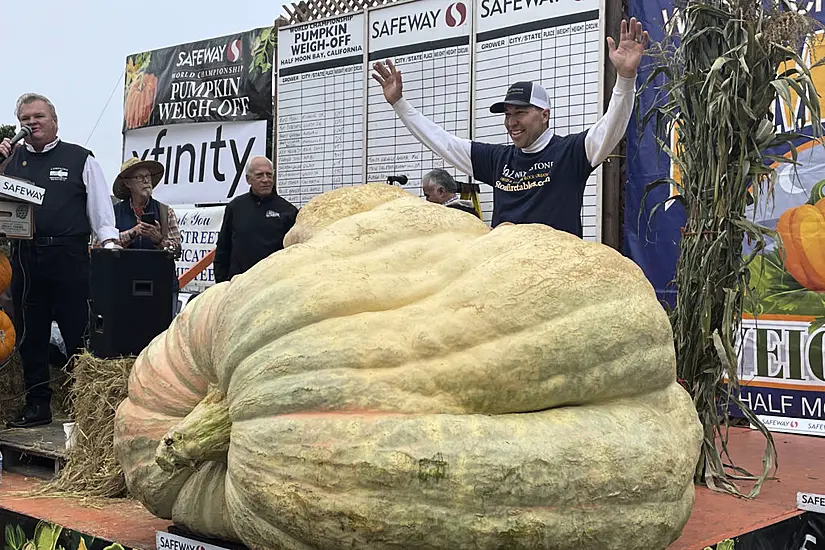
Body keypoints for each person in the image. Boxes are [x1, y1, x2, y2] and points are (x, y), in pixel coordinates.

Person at [372, 18, 649, 236]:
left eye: (520, 113)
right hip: (504, 281)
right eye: (507, 114)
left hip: (555, 281)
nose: (511, 122)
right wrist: (399, 104)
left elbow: (612, 126)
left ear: (544, 115)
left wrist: (625, 78)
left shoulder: (571, 153)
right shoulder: (497, 160)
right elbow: (441, 141)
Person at [0, 92, 120, 428]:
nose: (31, 123)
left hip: (68, 255)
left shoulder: (80, 158)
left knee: (77, 331)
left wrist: (108, 244)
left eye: (38, 116)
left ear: (54, 121)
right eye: (25, 118)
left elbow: (100, 209)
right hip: (25, 256)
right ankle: (38, 404)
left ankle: (89, 407)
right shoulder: (12, 161)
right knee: (31, 334)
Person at [110, 157, 183, 312]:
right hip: (123, 286)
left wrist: (159, 241)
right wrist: (132, 233)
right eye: (140, 177)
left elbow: (176, 250)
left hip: (160, 286)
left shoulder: (165, 211)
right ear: (128, 183)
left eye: (148, 177)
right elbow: (101, 245)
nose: (146, 181)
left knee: (162, 333)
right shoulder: (114, 213)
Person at [214, 156, 298, 283]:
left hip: (272, 284)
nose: (266, 180)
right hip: (238, 284)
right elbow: (223, 248)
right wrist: (222, 282)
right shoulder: (235, 207)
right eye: (259, 175)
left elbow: (294, 253)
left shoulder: (288, 211)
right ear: (248, 179)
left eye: (269, 175)